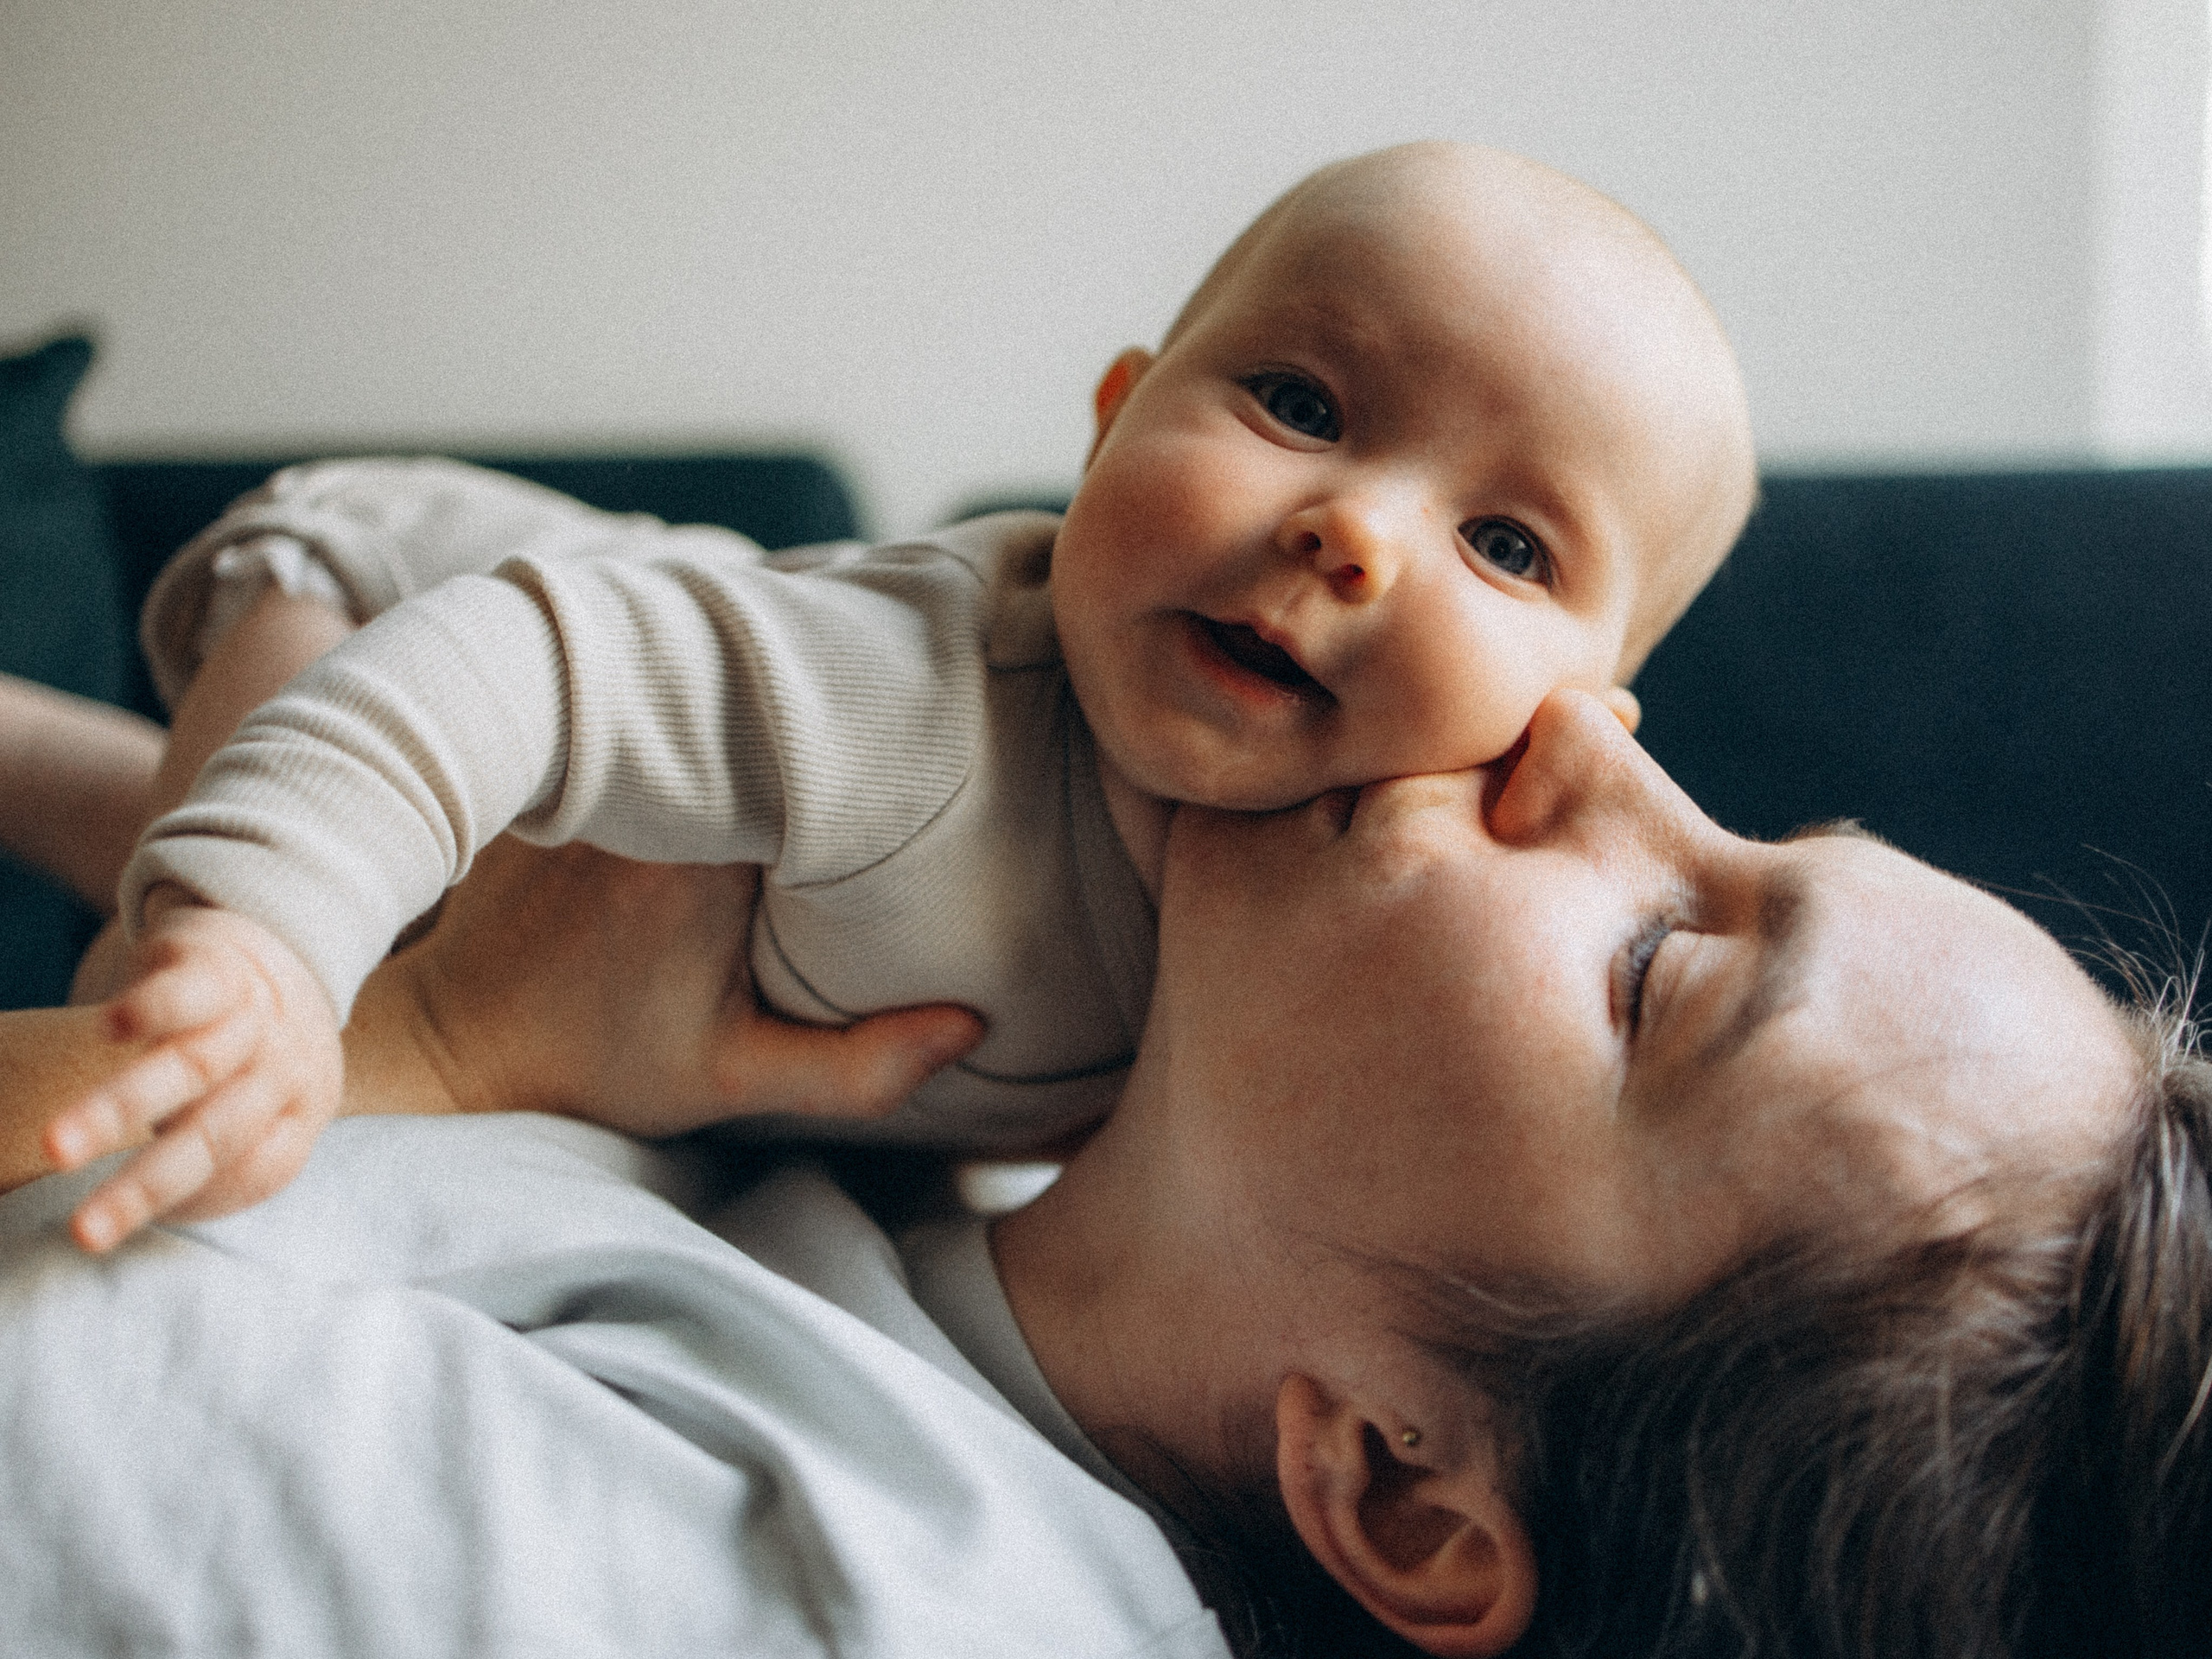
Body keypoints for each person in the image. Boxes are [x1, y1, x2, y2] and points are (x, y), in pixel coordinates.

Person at [0, 689, 2202, 1656]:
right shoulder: (947, 1196)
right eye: (1752, 823)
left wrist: (441, 1044)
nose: (1582, 733)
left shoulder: (798, 1597)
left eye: (1652, 966)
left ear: (1402, 1494)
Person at [33, 137, 1758, 1251]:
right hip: (386, 611)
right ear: (1112, 421)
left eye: (1506, 545)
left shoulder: (1353, 938)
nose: (1353, 531)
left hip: (541, 825)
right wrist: (265, 945)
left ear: (1583, 732)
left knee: (314, 880)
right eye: (1299, 404)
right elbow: (496, 673)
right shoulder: (911, 700)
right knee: (177, 1012)